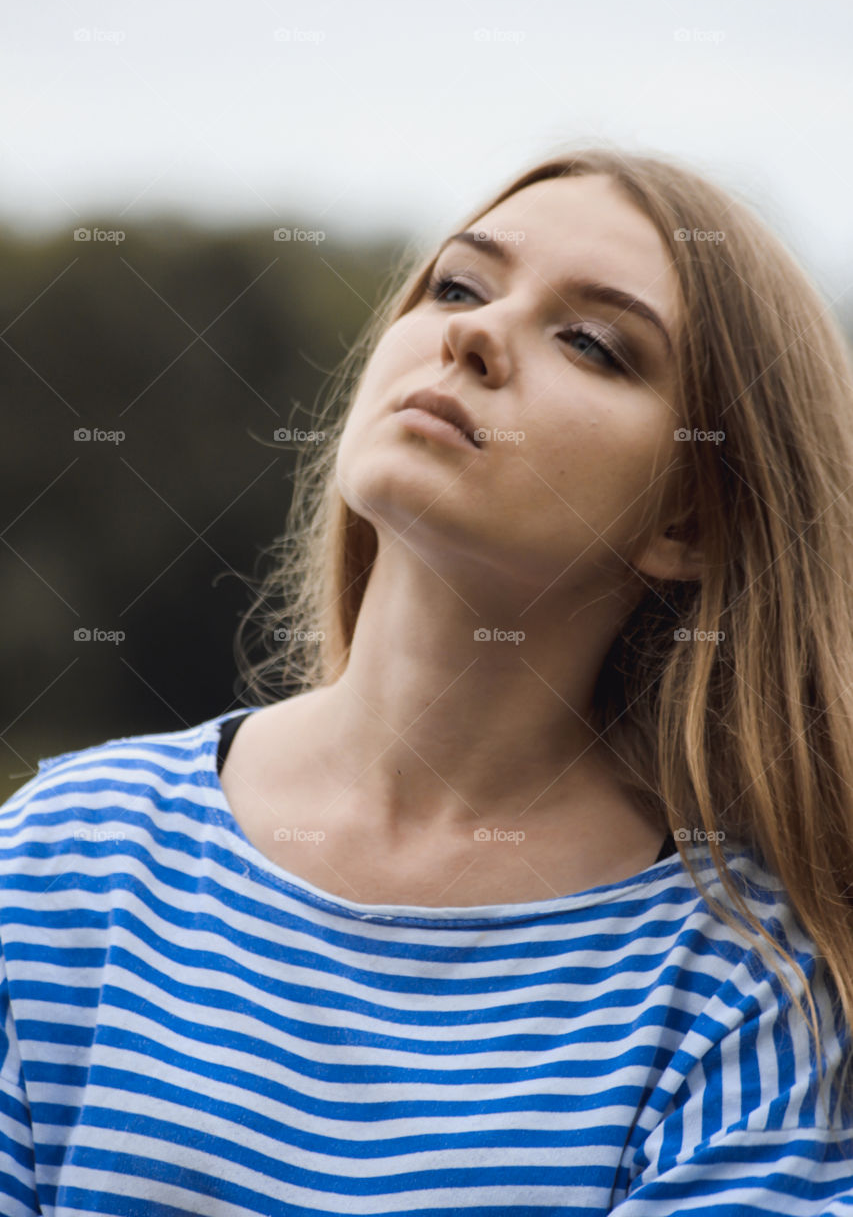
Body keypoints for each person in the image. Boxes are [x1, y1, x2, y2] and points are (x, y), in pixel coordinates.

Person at [2, 145, 852, 1215]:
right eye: (458, 282)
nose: (474, 333)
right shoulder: (62, 861)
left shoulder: (742, 988)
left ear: (688, 520)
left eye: (591, 342)